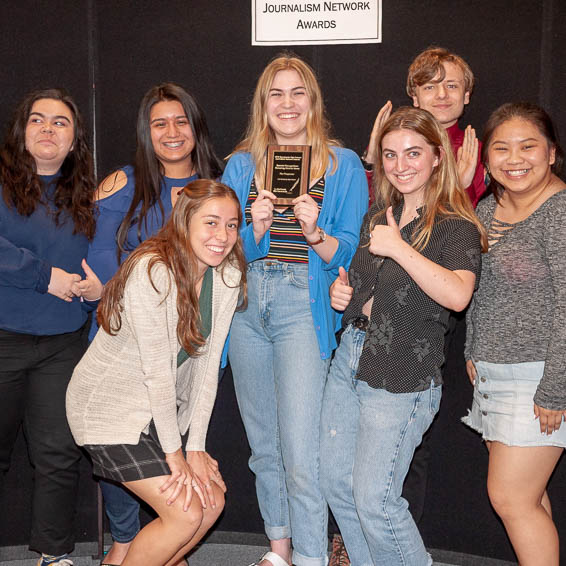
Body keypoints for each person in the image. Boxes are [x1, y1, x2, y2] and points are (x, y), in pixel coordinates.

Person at [321, 107, 485, 565]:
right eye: (390, 154)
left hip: (402, 372)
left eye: (413, 153)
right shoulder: (381, 212)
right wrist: (344, 293)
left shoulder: (455, 221)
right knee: (337, 483)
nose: (401, 164)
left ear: (438, 156)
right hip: (352, 355)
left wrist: (398, 248)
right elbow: (360, 285)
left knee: (376, 500)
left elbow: (456, 295)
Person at [222, 53, 367, 566]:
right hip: (245, 306)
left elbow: (352, 249)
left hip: (301, 303)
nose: (288, 104)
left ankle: (310, 556)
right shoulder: (241, 165)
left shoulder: (342, 164)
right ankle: (278, 548)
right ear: (264, 104)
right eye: (276, 94)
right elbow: (219, 250)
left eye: (297, 93)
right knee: (264, 444)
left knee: (302, 447)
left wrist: (314, 233)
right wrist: (254, 229)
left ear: (313, 101)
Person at [67, 179, 246, 566]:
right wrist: (176, 455)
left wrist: (195, 447)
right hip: (107, 409)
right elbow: (158, 372)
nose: (223, 236)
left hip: (152, 415)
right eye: (211, 223)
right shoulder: (153, 270)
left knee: (211, 502)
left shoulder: (227, 274)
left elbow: (206, 369)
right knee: (185, 513)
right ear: (185, 220)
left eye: (232, 225)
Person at [88, 82, 223, 566]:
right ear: (147, 132)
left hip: (188, 348)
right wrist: (126, 301)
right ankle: (128, 539)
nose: (171, 132)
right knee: (123, 445)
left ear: (195, 128)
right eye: (159, 123)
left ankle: (164, 538)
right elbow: (101, 252)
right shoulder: (124, 182)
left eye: (180, 121)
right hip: (125, 344)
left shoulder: (217, 186)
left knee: (167, 442)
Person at [0, 89, 102, 566]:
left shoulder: (89, 193)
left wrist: (93, 289)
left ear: (74, 136)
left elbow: (103, 257)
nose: (47, 129)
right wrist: (48, 277)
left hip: (63, 344)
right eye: (37, 119)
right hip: (4, 338)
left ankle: (55, 554)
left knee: (58, 456)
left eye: (60, 122)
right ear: (21, 132)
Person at [462, 102, 566, 566]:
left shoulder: (559, 212)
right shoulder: (488, 208)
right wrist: (471, 348)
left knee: (509, 497)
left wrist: (556, 387)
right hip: (494, 375)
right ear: (487, 161)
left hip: (540, 378)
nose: (514, 158)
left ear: (551, 154)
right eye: (501, 149)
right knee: (528, 499)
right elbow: (479, 290)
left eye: (528, 146)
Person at [365, 46, 485, 208]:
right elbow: (368, 209)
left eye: (451, 86)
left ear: (466, 96)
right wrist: (371, 160)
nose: (442, 94)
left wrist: (463, 187)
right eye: (429, 87)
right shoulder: (393, 147)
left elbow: (476, 224)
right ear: (415, 97)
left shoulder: (477, 152)